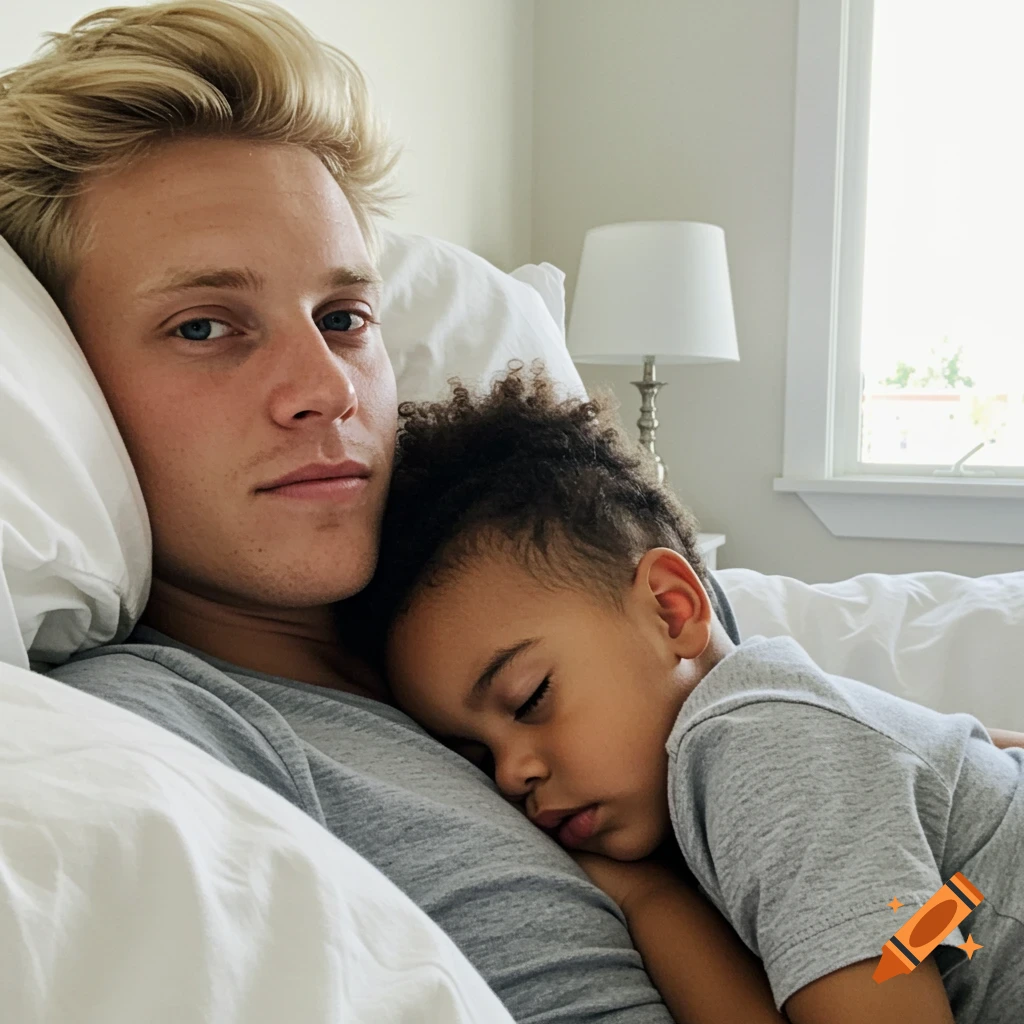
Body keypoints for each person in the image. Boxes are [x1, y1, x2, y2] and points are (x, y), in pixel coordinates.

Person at [0, 2, 770, 1021]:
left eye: (344, 318)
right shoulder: (158, 741)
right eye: (204, 325)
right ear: (74, 381)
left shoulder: (539, 568)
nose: (326, 386)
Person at [365, 367, 1024, 1024]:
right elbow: (930, 771)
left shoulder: (758, 751)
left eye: (531, 697)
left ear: (670, 611)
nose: (513, 773)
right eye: (478, 757)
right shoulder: (770, 731)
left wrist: (651, 903)